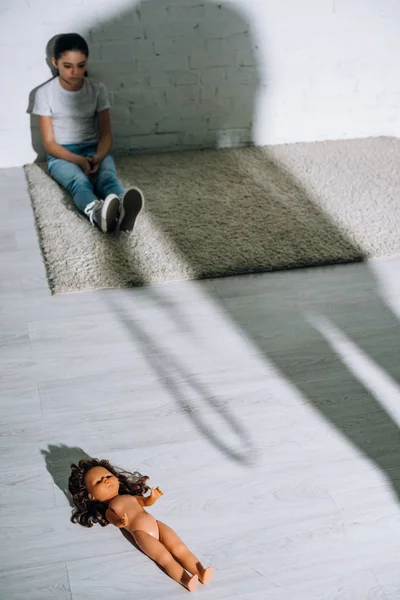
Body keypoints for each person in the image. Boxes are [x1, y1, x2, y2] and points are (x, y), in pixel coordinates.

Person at [33, 33, 144, 234]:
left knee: (108, 179)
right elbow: (49, 144)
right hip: (62, 154)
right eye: (68, 66)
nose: (75, 72)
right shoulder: (45, 94)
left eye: (81, 65)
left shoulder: (97, 89)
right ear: (54, 62)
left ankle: (123, 208)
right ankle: (98, 213)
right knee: (79, 182)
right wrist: (79, 161)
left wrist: (97, 156)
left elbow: (106, 135)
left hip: (94, 149)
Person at [69, 458, 215, 592]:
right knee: (165, 557)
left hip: (157, 525)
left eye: (108, 476)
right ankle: (186, 580)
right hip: (141, 534)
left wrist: (152, 498)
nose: (106, 480)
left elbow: (145, 502)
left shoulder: (129, 496)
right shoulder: (109, 509)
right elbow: (114, 520)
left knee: (179, 547)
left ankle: (201, 571)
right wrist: (121, 522)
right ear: (91, 496)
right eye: (99, 482)